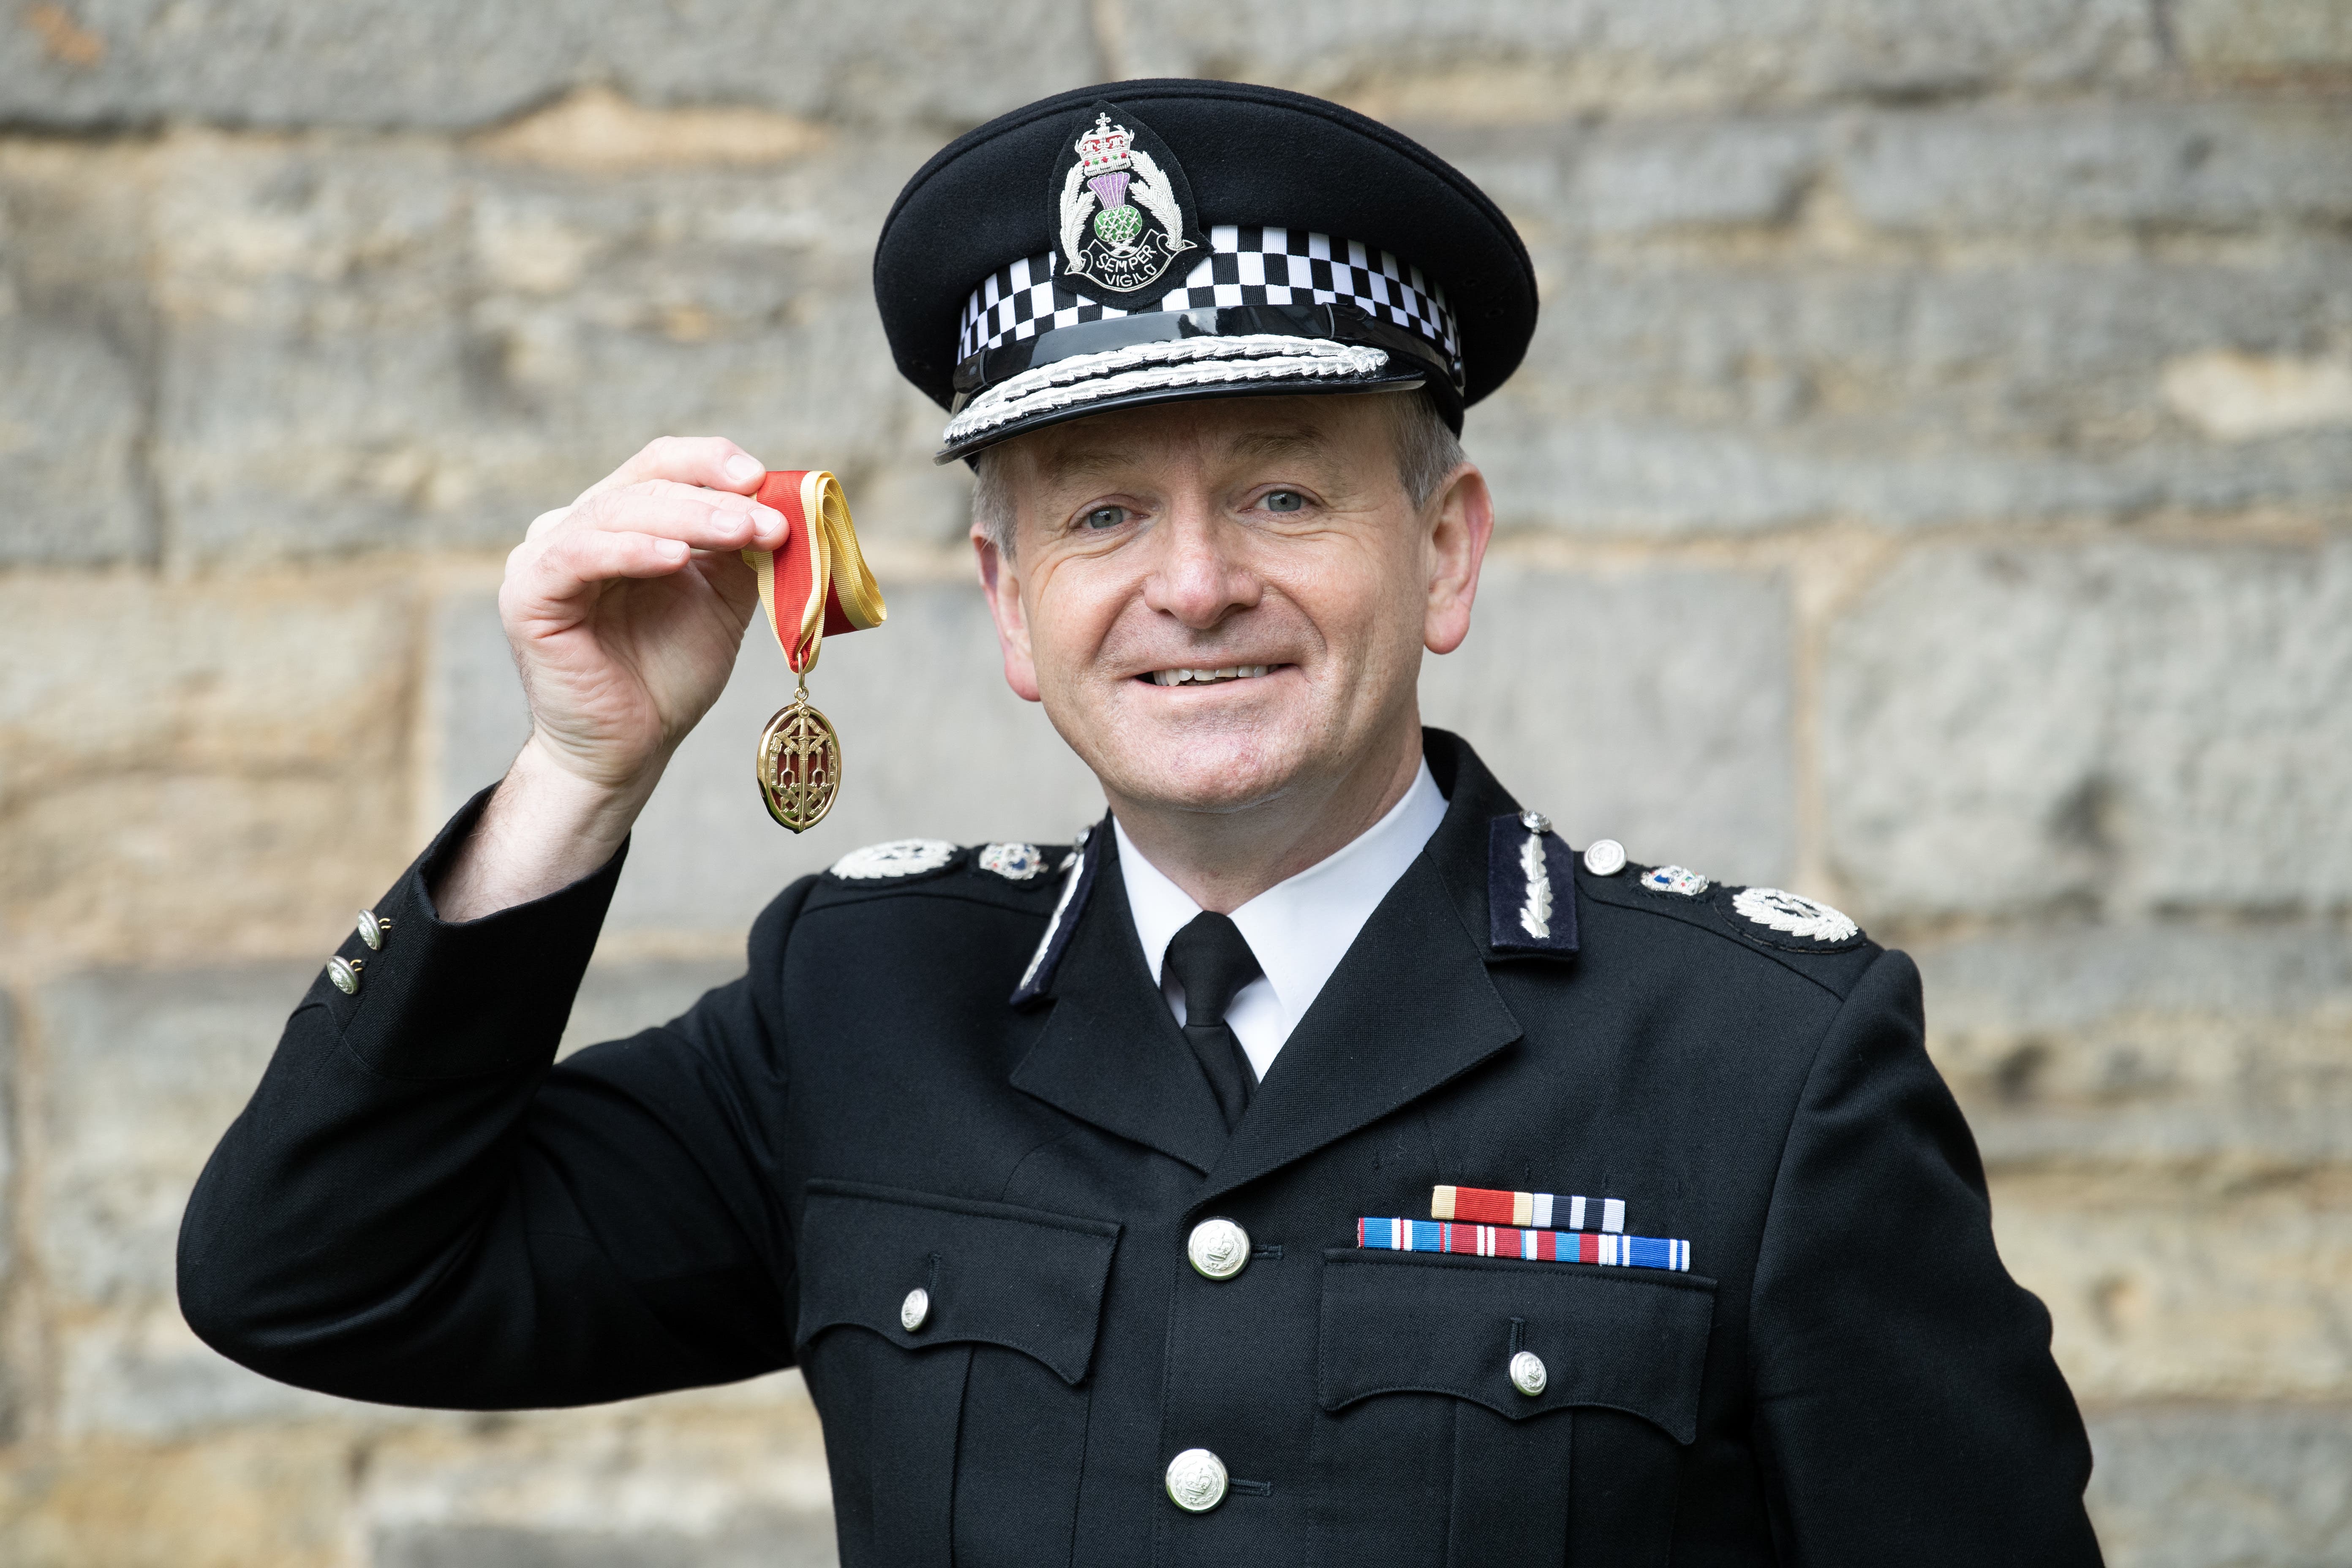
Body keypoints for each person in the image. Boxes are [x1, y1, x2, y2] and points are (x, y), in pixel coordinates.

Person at [178, 80, 2102, 1565]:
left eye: (1280, 494)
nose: (1192, 586)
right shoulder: (867, 1004)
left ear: (1443, 552)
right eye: (1100, 515)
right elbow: (323, 1271)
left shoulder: (1763, 1061)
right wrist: (580, 773)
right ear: (1011, 607)